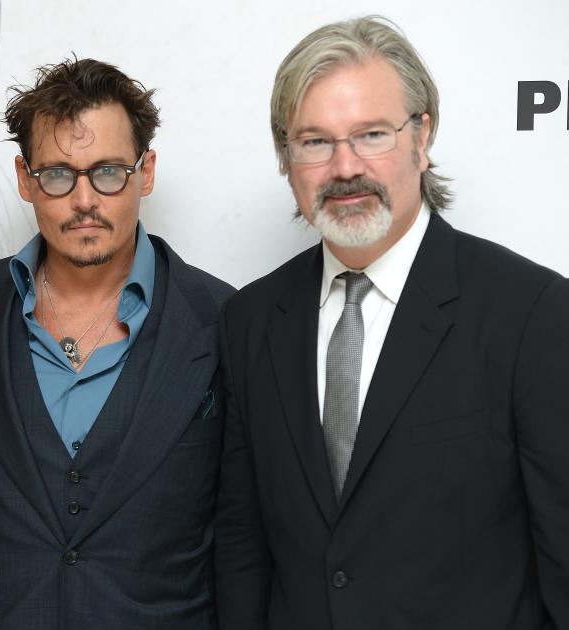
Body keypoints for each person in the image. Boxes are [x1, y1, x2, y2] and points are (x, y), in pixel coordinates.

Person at [215, 15, 569, 630]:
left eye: (372, 134)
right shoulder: (249, 322)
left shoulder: (531, 313)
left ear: (421, 137)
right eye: (315, 141)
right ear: (287, 157)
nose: (345, 167)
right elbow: (244, 553)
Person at [0, 57, 234, 629]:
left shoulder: (222, 318)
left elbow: (238, 523)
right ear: (26, 179)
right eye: (58, 175)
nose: (85, 199)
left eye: (109, 172)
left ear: (146, 173)